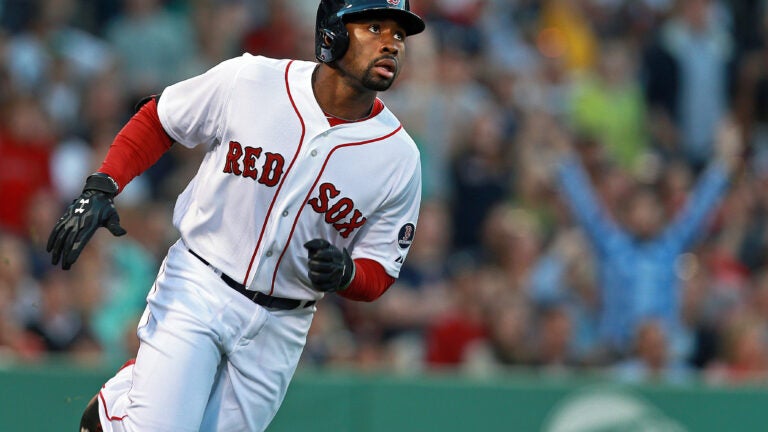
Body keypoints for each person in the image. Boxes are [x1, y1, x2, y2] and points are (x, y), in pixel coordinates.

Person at [46, 1, 425, 431]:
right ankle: (116, 414)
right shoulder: (253, 79)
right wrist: (104, 183)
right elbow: (162, 118)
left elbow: (379, 269)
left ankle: (129, 397)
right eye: (375, 27)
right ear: (332, 33)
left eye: (399, 34)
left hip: (282, 324)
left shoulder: (399, 158)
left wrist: (346, 275)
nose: (391, 43)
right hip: (200, 284)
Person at [547, 118, 741, 363]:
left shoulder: (669, 247)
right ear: (626, 215)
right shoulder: (612, 245)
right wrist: (566, 163)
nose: (644, 216)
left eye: (650, 209)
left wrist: (722, 164)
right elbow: (587, 210)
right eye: (637, 209)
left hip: (662, 357)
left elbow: (697, 213)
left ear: (660, 214)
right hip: (617, 354)